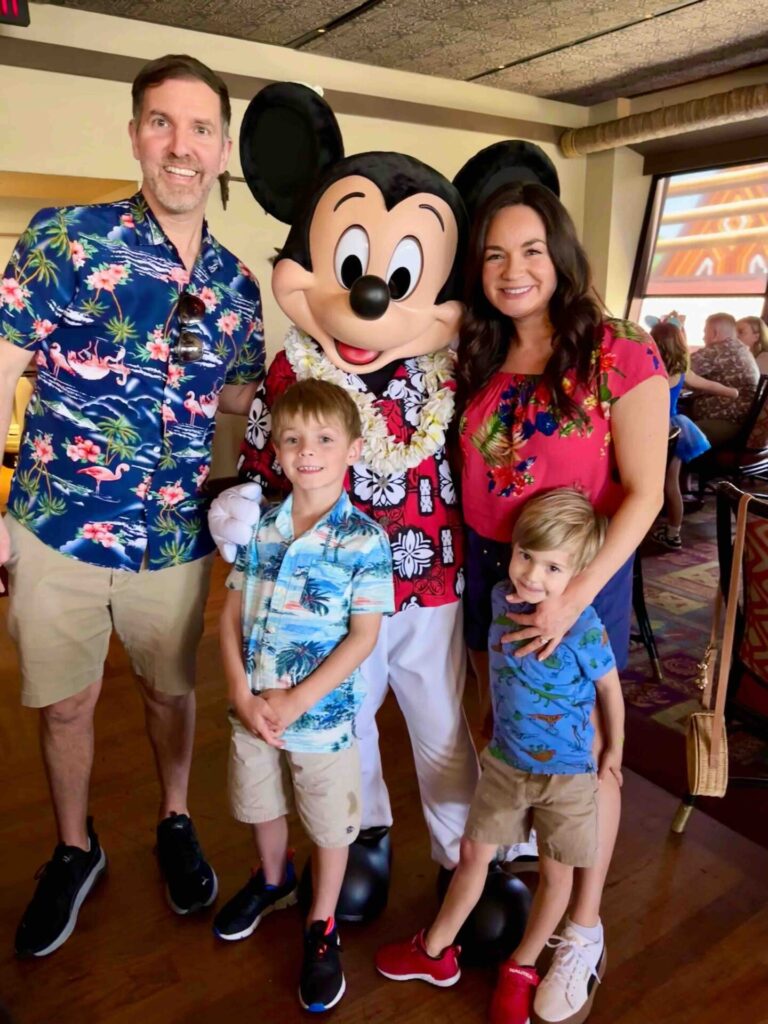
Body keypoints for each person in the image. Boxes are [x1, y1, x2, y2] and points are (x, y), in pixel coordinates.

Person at [0, 54, 265, 958]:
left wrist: (324, 379)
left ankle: (176, 818)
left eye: (199, 128)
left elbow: (234, 397)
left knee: (170, 693)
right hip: (56, 529)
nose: (180, 145)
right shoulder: (65, 237)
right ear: (135, 135)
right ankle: (75, 849)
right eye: (161, 122)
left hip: (176, 539)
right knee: (66, 707)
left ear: (223, 149)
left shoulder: (236, 285)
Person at [453, 181, 667, 1022]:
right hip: (493, 572)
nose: (513, 269)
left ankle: (582, 926)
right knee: (505, 728)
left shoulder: (618, 349)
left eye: (531, 249)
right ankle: (525, 878)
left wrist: (574, 597)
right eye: (495, 253)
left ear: (562, 254)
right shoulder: (478, 348)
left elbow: (645, 494)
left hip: (583, 576)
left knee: (586, 757)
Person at [376, 489, 624, 1024]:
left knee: (558, 879)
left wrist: (614, 746)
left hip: (568, 778)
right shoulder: (498, 600)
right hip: (506, 764)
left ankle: (522, 966)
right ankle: (435, 950)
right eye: (524, 555)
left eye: (553, 566)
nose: (531, 575)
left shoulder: (583, 629)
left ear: (578, 573)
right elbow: (496, 660)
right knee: (472, 855)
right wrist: (491, 708)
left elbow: (610, 690)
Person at [215, 379, 394, 1012]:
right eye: (292, 439)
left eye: (323, 438)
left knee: (328, 820)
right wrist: (240, 690)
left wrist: (297, 701)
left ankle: (321, 925)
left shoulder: (366, 541)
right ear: (278, 448)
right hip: (253, 710)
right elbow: (230, 614)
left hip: (319, 721)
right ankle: (272, 880)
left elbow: (363, 639)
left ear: (352, 446)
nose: (306, 451)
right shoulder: (261, 527)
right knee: (260, 802)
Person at [650, 320, 738, 549]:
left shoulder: (649, 371)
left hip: (650, 431)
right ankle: (673, 532)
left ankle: (641, 529)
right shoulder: (681, 372)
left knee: (646, 484)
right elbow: (707, 385)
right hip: (676, 431)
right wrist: (732, 392)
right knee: (671, 484)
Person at [690, 312, 759, 446]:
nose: (703, 337)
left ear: (715, 333)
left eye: (705, 332)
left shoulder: (717, 351)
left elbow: (678, 370)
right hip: (741, 423)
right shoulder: (741, 349)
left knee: (671, 433)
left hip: (725, 423)